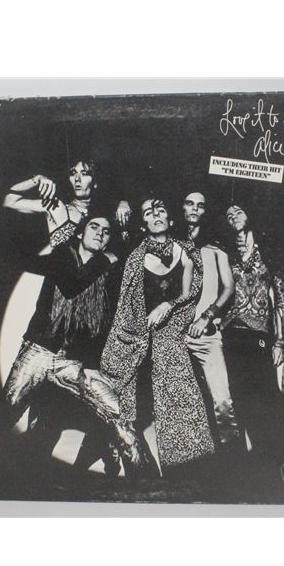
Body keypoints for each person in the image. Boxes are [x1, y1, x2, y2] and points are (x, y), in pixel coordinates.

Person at [3, 208, 146, 474]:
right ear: (80, 233)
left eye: (106, 232)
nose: (100, 233)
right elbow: (71, 285)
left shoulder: (108, 276)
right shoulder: (62, 257)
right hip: (39, 351)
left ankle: (146, 483)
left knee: (119, 414)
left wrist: (91, 363)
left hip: (74, 361)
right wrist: (106, 260)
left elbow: (104, 323)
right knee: (7, 410)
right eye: (94, 227)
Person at [100, 197, 215, 471]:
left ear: (171, 220)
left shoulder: (185, 252)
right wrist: (138, 334)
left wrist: (168, 306)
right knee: (119, 386)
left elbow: (189, 296)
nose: (156, 215)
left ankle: (188, 466)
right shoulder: (135, 258)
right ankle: (123, 456)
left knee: (178, 380)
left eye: (161, 210)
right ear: (143, 224)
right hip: (138, 335)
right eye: (149, 213)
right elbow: (125, 307)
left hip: (170, 332)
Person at [221, 200, 284, 457]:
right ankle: (243, 460)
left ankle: (270, 456)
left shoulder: (269, 252)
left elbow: (281, 300)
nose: (233, 216)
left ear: (250, 215)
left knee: (264, 396)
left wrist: (280, 342)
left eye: (238, 211)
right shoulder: (227, 254)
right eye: (228, 215)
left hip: (260, 335)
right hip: (231, 332)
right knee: (236, 397)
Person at [179, 191, 240, 447]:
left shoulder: (215, 248)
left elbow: (229, 288)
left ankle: (232, 458)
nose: (195, 209)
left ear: (206, 211)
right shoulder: (170, 244)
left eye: (200, 205)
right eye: (189, 203)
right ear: (181, 208)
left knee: (222, 400)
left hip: (207, 335)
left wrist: (207, 316)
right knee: (180, 404)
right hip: (174, 335)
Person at [3, 158, 132, 248]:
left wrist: (125, 202)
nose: (77, 179)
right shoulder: (56, 207)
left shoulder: (105, 214)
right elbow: (9, 202)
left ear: (95, 183)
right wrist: (37, 179)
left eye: (84, 174)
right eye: (73, 173)